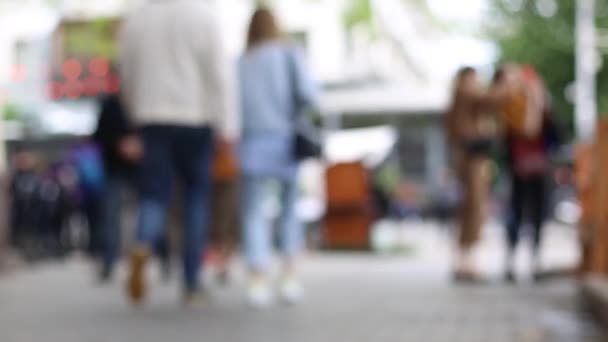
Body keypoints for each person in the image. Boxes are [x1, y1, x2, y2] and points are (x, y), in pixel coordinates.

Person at [119, 0, 238, 305]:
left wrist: (135, 113)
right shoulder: (203, 16)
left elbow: (127, 72)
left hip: (153, 116)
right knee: (196, 197)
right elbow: (218, 74)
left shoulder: (138, 18)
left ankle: (143, 243)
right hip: (195, 117)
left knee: (154, 194)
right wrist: (227, 125)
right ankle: (192, 281)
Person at [238, 8, 318, 307]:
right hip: (285, 140)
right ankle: (288, 275)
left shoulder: (242, 61)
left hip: (251, 142)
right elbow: (310, 95)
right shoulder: (289, 54)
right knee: (288, 210)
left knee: (253, 212)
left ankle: (257, 277)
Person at [498, 66, 560, 282]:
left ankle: (535, 261)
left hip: (539, 169)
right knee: (516, 213)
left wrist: (539, 105)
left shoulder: (545, 108)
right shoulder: (513, 106)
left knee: (538, 215)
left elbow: (554, 137)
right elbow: (525, 130)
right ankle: (511, 261)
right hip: (518, 169)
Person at [445, 67, 497, 282]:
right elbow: (492, 99)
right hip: (472, 157)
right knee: (475, 208)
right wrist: (510, 83)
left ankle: (464, 261)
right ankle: (468, 262)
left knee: (470, 209)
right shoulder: (465, 91)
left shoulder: (459, 97)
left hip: (470, 156)